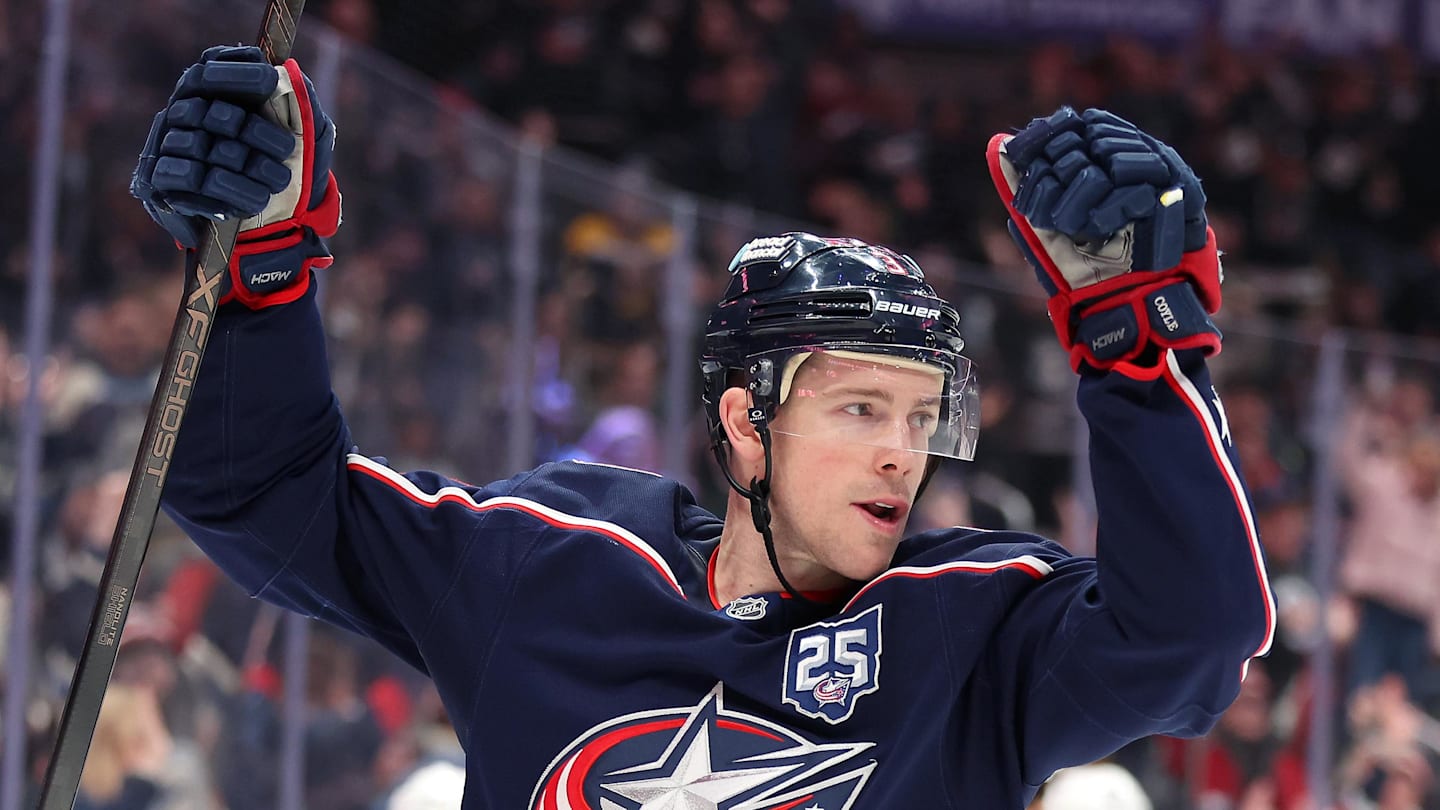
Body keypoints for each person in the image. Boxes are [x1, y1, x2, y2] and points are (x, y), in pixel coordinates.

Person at [128, 46, 1275, 808]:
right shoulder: (552, 561)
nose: (902, 452)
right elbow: (257, 491)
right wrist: (254, 282)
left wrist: (1142, 354)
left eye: (924, 418)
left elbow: (1190, 639)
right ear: (746, 422)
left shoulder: (973, 630)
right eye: (863, 407)